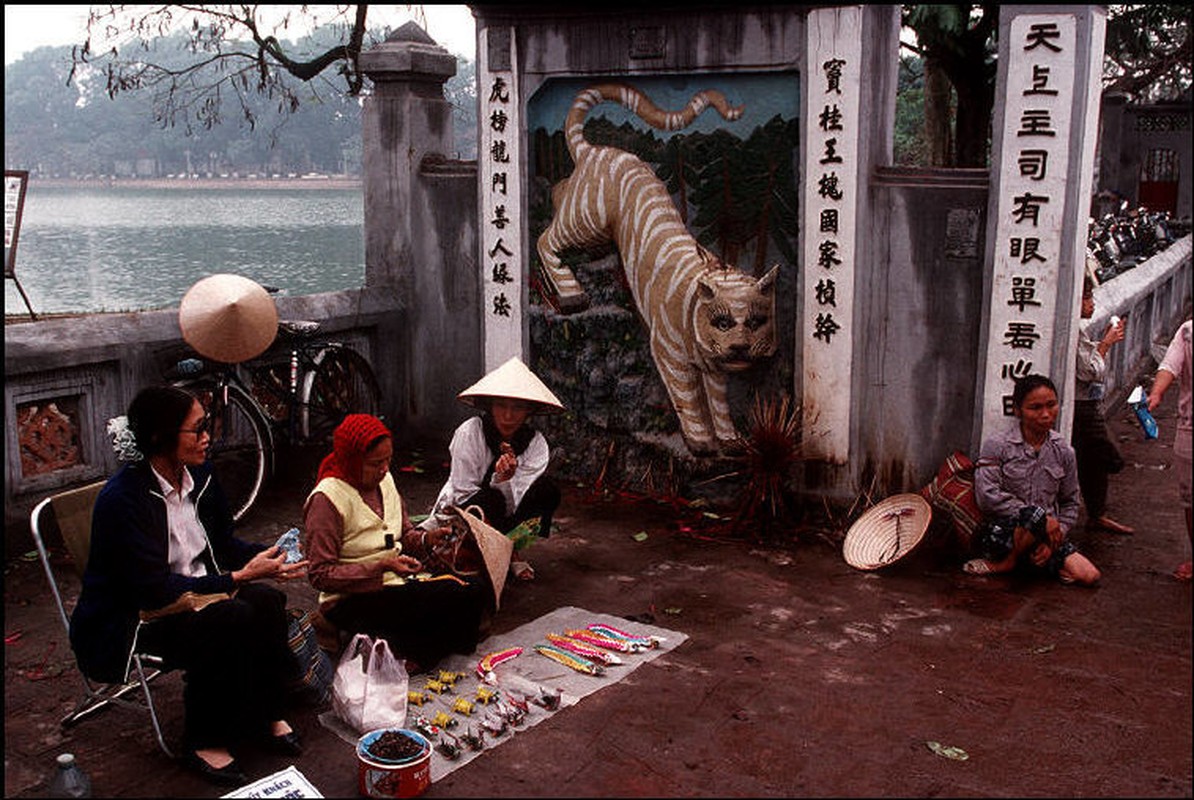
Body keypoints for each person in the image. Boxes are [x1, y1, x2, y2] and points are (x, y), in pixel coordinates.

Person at [69, 386, 306, 787]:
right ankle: (203, 740)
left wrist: (270, 557)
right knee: (232, 614)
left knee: (266, 600)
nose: (207, 436)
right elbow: (150, 589)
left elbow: (224, 544)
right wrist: (237, 578)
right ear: (160, 438)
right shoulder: (122, 500)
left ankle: (264, 710)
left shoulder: (200, 476)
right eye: (196, 430)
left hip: (200, 594)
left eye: (205, 426)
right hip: (139, 617)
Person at [304, 413, 490, 673]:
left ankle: (404, 646)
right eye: (374, 463)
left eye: (388, 460)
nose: (383, 469)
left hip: (396, 586)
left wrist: (426, 539)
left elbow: (404, 534)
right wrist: (381, 567)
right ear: (352, 460)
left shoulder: (386, 480)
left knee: (474, 589)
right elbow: (320, 575)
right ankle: (392, 647)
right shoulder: (327, 499)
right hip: (349, 598)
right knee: (439, 607)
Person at [422, 356, 565, 581]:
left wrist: (505, 479)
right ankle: (480, 551)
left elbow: (517, 501)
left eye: (518, 408)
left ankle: (509, 549)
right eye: (501, 406)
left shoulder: (536, 444)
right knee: (492, 500)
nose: (508, 416)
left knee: (548, 492)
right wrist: (497, 481)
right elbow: (462, 494)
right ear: (490, 406)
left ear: (529, 411)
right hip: (466, 513)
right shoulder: (469, 433)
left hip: (507, 512)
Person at [965, 374, 1101, 586]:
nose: (1045, 414)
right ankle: (1007, 562)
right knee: (1035, 515)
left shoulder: (1064, 451)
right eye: (1035, 408)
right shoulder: (998, 445)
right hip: (1003, 533)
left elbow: (1071, 503)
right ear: (1018, 411)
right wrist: (1040, 519)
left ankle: (1034, 560)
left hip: (1046, 535)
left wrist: (1054, 537)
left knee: (1088, 575)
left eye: (1051, 405)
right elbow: (987, 496)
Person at [1072, 276, 1134, 534]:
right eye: (1087, 298)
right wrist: (1106, 343)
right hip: (1079, 405)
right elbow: (1089, 371)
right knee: (1107, 455)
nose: (1092, 304)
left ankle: (1097, 514)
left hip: (1084, 401)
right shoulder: (1073, 331)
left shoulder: (1079, 330)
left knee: (1092, 459)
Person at [1147, 318, 1192, 581]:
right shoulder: (1188, 332)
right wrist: (1156, 393)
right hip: (1190, 427)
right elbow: (1169, 367)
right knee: (1191, 500)